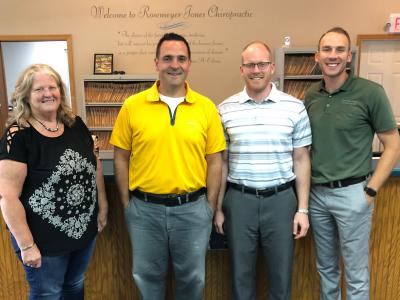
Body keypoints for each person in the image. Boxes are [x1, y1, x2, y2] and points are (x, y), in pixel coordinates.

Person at [110, 32, 226, 300]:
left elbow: (215, 161)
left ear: (189, 64)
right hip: (144, 212)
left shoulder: (206, 108)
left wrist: (208, 206)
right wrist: (127, 203)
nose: (175, 64)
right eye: (168, 58)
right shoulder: (132, 106)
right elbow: (121, 157)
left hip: (193, 211)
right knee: (147, 279)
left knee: (193, 280)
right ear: (156, 63)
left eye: (181, 59)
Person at [304, 27, 400, 299]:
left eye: (339, 50)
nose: (332, 55)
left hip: (353, 195)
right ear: (317, 56)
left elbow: (393, 145)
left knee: (356, 273)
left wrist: (370, 192)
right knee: (326, 269)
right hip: (318, 195)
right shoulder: (311, 95)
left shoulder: (370, 93)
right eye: (327, 50)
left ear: (349, 56)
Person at [0, 64, 108, 299]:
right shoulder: (18, 136)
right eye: (39, 89)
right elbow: (7, 196)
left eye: (53, 87)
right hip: (42, 241)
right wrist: (27, 245)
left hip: (82, 232)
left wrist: (103, 205)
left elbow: (94, 164)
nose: (48, 93)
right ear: (26, 96)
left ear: (61, 90)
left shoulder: (75, 124)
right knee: (48, 293)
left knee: (74, 286)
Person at [216, 41, 312, 300]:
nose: (255, 70)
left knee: (281, 279)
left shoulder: (294, 107)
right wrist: (217, 209)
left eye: (261, 64)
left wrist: (302, 209)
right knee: (240, 278)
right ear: (241, 69)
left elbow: (302, 160)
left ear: (272, 67)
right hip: (239, 201)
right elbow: (221, 162)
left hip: (281, 201)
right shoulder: (224, 110)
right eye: (250, 65)